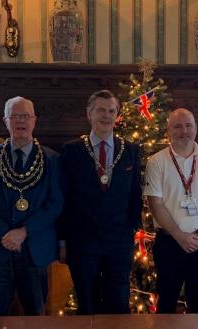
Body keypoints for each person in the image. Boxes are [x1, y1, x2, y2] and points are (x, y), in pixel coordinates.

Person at [0, 96, 64, 316]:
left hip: (35, 250)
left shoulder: (52, 159)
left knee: (36, 316)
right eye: (15, 116)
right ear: (6, 121)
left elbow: (56, 203)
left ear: (34, 121)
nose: (21, 121)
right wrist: (4, 233)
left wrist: (23, 231)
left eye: (26, 116)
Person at [59, 90, 143, 314]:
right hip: (83, 243)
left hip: (118, 243)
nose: (106, 116)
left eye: (111, 111)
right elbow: (64, 198)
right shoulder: (72, 150)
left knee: (119, 305)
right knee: (87, 307)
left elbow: (135, 195)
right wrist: (63, 241)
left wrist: (131, 230)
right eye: (101, 110)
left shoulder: (131, 151)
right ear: (89, 114)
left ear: (117, 115)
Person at [144, 108, 198, 313]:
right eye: (178, 126)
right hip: (169, 242)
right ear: (169, 130)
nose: (184, 131)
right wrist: (180, 236)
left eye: (189, 125)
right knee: (166, 301)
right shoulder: (156, 161)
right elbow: (155, 203)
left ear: (196, 128)